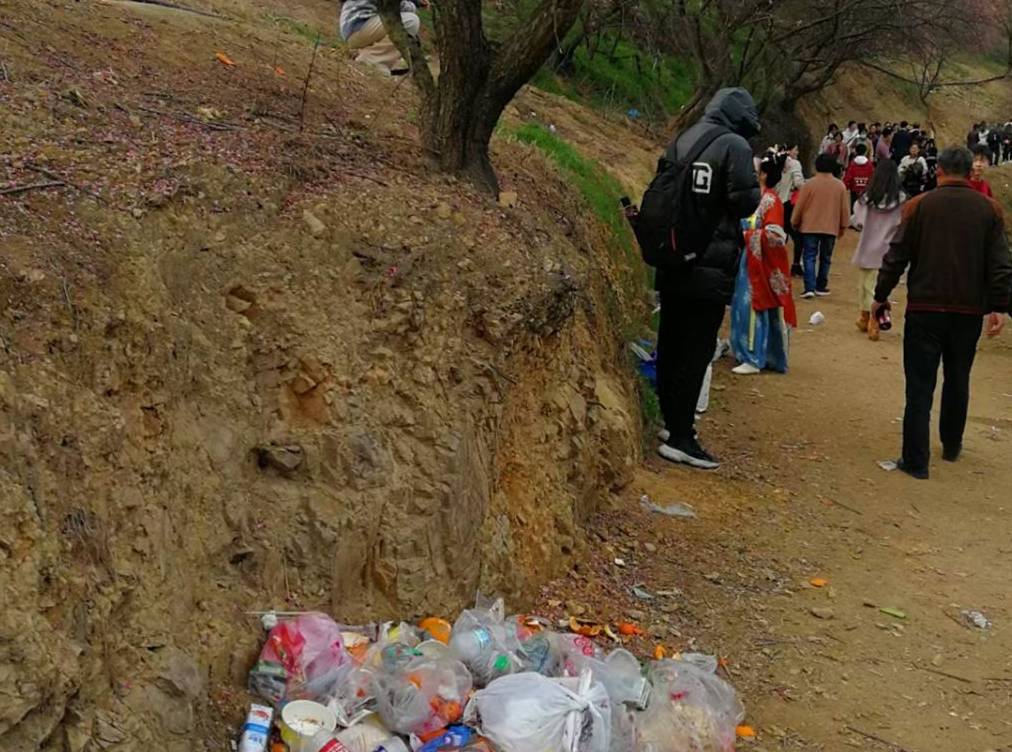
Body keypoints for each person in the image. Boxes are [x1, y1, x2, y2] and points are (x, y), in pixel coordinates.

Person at [873, 147, 1011, 480]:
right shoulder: (990, 210)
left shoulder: (920, 206)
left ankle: (916, 461)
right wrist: (999, 307)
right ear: (969, 172)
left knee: (919, 386)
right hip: (968, 310)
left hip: (925, 307)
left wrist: (880, 295)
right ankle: (951, 445)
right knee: (958, 376)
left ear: (939, 171)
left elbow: (897, 254)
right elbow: (1001, 265)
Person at [654, 88, 761, 470]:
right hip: (709, 262)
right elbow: (746, 200)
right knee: (696, 349)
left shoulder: (684, 136)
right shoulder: (734, 145)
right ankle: (683, 436)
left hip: (671, 255)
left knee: (670, 341)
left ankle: (670, 422)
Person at [730, 153, 798, 375]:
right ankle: (746, 351)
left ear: (764, 174)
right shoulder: (759, 197)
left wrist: (748, 235)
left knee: (753, 307)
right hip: (749, 260)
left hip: (759, 261)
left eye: (757, 170)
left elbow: (776, 236)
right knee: (743, 306)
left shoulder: (771, 201)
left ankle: (753, 355)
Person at [851, 160, 904, 341]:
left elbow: (858, 221)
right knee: (877, 287)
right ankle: (871, 318)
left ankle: (868, 317)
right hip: (887, 250)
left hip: (866, 247)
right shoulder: (901, 200)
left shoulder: (867, 198)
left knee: (864, 285)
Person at [791, 153, 850, 299]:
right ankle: (821, 286)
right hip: (831, 227)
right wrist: (843, 226)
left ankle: (809, 287)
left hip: (809, 226)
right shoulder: (839, 186)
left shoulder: (809, 184)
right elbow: (844, 209)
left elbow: (800, 206)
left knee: (809, 256)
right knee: (826, 257)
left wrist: (794, 221)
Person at [339, 0, 425, 75]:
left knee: (407, 29)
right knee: (411, 21)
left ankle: (383, 59)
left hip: (356, 28)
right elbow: (397, 5)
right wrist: (414, 4)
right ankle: (372, 60)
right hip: (359, 26)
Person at [774, 143, 806, 277]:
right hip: (786, 203)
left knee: (776, 234)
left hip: (770, 202)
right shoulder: (794, 164)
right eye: (796, 149)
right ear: (789, 150)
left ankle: (773, 264)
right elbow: (799, 183)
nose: (797, 152)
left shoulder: (771, 159)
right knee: (798, 236)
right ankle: (796, 265)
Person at [843, 143, 874, 211]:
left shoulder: (852, 164)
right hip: (866, 190)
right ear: (865, 152)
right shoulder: (869, 164)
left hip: (854, 190)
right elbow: (872, 177)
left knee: (854, 207)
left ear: (856, 152)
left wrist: (846, 186)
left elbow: (848, 177)